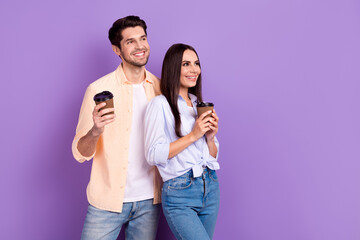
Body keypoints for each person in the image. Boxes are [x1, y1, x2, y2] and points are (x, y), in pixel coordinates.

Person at [72, 16, 162, 240]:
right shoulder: (98, 89)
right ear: (117, 49)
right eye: (130, 41)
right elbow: (79, 153)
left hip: (150, 202)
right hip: (107, 202)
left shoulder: (161, 88)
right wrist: (95, 131)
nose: (140, 46)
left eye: (143, 38)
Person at [144, 43, 220, 240]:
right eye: (186, 64)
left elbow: (211, 156)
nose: (194, 69)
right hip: (180, 192)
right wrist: (193, 135)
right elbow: (153, 154)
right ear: (173, 68)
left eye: (196, 63)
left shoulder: (198, 103)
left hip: (210, 186)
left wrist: (210, 138)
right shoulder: (159, 105)